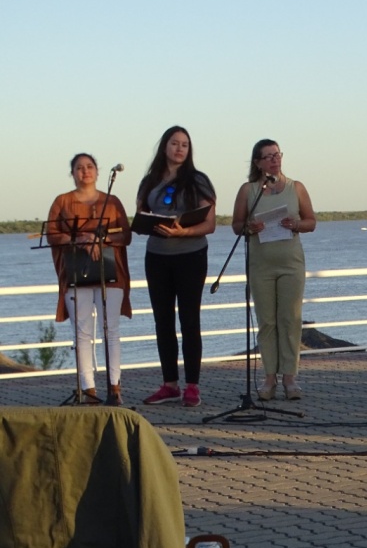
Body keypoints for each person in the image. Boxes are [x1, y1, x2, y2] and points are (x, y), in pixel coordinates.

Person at [138, 126, 217, 408]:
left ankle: (192, 386)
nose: (180, 149)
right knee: (163, 321)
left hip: (190, 255)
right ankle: (169, 384)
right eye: (175, 143)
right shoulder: (149, 181)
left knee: (189, 320)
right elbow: (140, 215)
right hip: (157, 257)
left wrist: (182, 231)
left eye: (185, 144)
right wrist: (146, 223)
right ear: (165, 147)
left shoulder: (197, 180)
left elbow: (210, 223)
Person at [232, 139, 316, 401]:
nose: (274, 160)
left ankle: (290, 377)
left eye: (277, 155)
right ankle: (269, 377)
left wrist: (296, 224)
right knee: (267, 321)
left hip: (290, 262)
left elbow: (311, 221)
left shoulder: (296, 187)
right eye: (267, 157)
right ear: (257, 163)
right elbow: (236, 225)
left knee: (290, 319)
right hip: (261, 264)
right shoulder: (249, 190)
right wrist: (249, 227)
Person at [47, 153, 132, 405]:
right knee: (82, 332)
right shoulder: (62, 201)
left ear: (97, 171)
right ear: (72, 173)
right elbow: (52, 235)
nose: (85, 171)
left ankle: (114, 387)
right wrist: (81, 240)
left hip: (110, 272)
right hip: (77, 272)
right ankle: (88, 389)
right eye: (79, 168)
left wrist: (100, 240)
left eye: (89, 167)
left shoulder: (112, 201)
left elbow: (125, 236)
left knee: (111, 330)